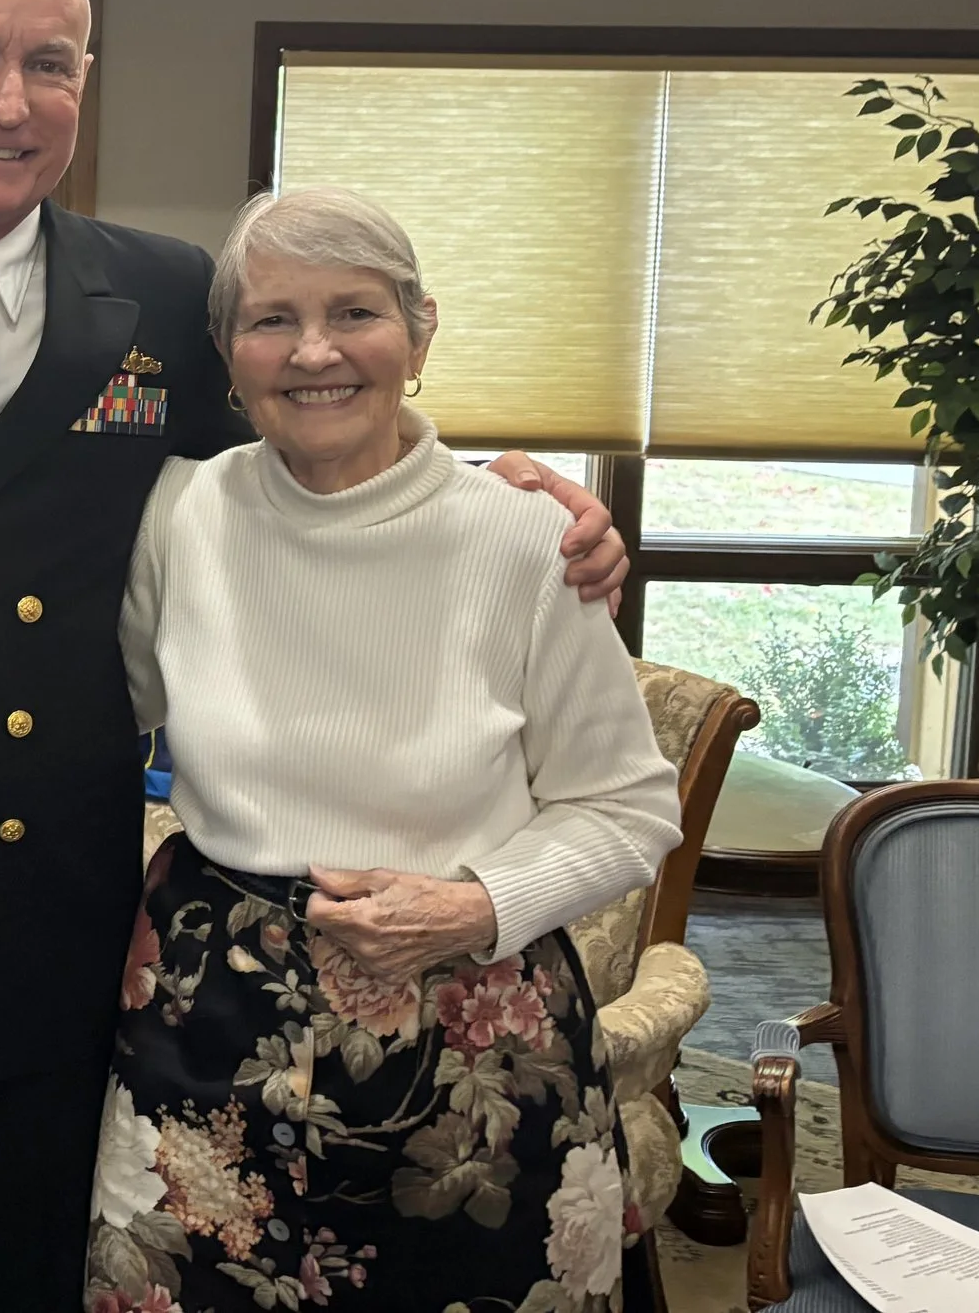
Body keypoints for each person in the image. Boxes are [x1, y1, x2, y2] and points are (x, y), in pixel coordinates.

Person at [0, 0, 629, 1312]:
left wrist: (498, 491)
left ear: (85, 82)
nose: (8, 101)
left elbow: (315, 448)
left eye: (49, 65)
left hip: (45, 943)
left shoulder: (168, 295)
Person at [89, 186, 680, 1313]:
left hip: (473, 1042)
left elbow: (628, 806)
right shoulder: (177, 515)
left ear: (419, 332)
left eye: (354, 312)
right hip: (209, 1033)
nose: (314, 351)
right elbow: (99, 715)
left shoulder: (527, 539)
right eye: (271, 319)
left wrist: (475, 905)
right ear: (228, 354)